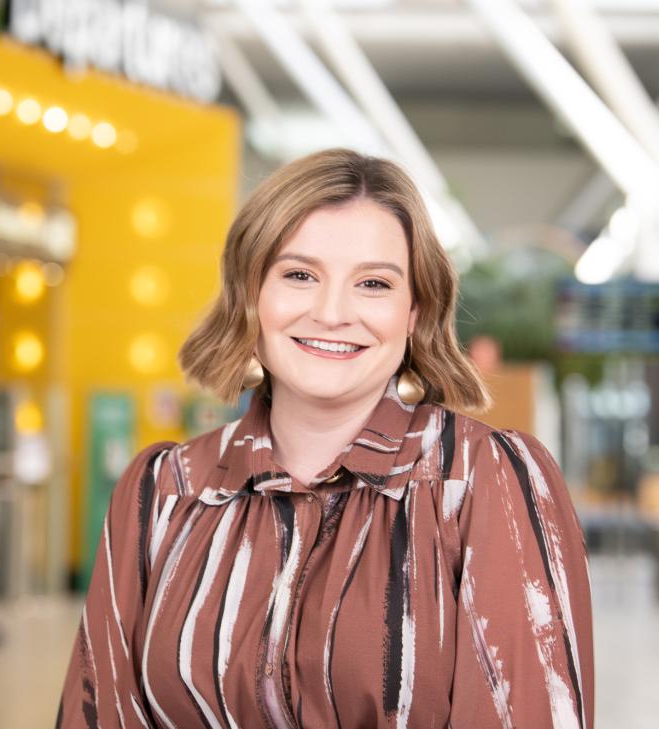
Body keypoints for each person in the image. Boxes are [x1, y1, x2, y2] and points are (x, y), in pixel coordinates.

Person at [56, 148, 594, 728]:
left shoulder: (482, 481)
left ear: (414, 312)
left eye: (373, 283)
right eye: (299, 275)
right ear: (249, 294)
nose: (333, 312)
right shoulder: (162, 490)